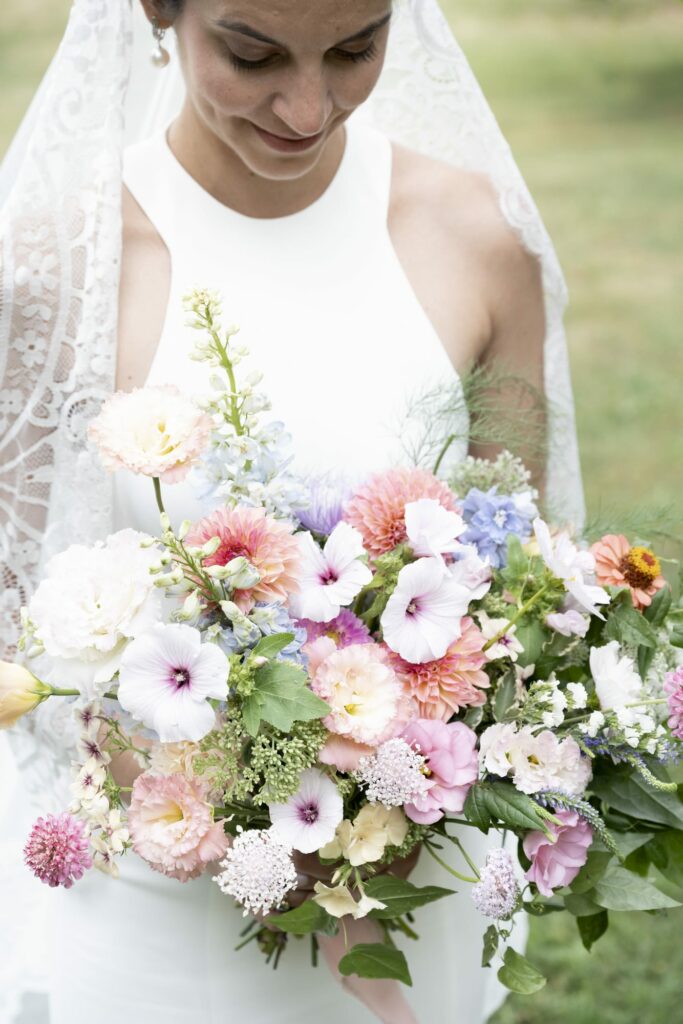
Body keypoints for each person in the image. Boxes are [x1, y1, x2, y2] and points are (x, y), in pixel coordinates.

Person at [0, 1, 585, 1022]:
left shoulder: (474, 239)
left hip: (410, 874)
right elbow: (18, 622)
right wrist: (230, 800)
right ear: (157, 9)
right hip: (165, 899)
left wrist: (385, 795)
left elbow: (523, 590)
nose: (309, 105)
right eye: (252, 52)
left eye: (355, 48)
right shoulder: (62, 264)